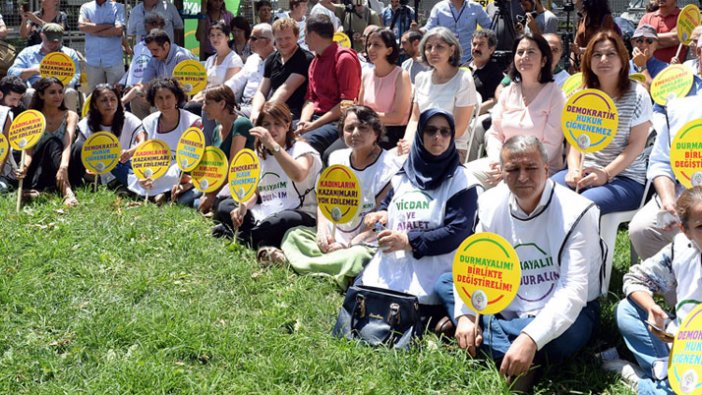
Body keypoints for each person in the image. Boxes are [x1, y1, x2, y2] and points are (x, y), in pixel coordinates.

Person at [435, 135, 603, 392]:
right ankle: (508, 349)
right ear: (502, 173)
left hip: (571, 310)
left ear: (547, 170)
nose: (522, 177)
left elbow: (573, 292)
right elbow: (475, 264)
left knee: (565, 337)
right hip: (508, 297)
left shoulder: (578, 210)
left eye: (531, 168)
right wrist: (467, 315)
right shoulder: (491, 203)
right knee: (446, 282)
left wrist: (531, 337)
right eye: (513, 169)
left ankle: (496, 343)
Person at [358, 108, 479, 333]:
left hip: (433, 270)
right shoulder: (404, 174)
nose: (438, 137)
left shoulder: (462, 180)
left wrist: (408, 241)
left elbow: (457, 232)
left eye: (445, 132)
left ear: (452, 137)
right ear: (420, 134)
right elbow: (387, 211)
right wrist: (377, 219)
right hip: (393, 264)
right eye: (431, 130)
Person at [280, 106, 401, 284]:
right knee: (293, 235)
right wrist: (322, 232)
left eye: (363, 128)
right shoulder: (336, 157)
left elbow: (377, 222)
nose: (355, 133)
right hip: (333, 234)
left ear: (376, 133)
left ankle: (305, 264)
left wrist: (349, 244)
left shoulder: (390, 166)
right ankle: (330, 268)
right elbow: (324, 200)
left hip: (364, 239)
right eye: (349, 128)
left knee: (358, 257)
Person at [553, 31, 652, 215]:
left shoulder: (638, 94)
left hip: (625, 178)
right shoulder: (581, 94)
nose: (603, 59)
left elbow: (637, 145)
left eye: (610, 54)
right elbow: (575, 140)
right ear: (589, 61)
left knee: (581, 206)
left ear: (623, 59)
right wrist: (573, 169)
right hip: (584, 171)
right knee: (545, 195)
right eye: (597, 55)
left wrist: (605, 174)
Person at [616, 186, 702, 394]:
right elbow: (635, 279)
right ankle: (662, 371)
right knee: (627, 309)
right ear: (685, 231)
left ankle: (647, 382)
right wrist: (652, 307)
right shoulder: (680, 248)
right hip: (687, 343)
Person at [211, 102, 323, 258]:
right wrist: (243, 207)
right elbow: (256, 191)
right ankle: (257, 237)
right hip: (267, 210)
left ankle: (241, 236)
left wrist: (273, 145)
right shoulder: (260, 153)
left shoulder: (303, 150)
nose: (272, 129)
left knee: (281, 221)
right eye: (267, 125)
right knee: (226, 206)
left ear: (287, 124)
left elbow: (298, 175)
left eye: (277, 124)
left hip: (299, 212)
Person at [466, 33, 565, 189]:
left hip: (539, 169)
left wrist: (514, 168)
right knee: (462, 177)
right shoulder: (509, 92)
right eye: (520, 52)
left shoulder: (556, 96)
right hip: (503, 163)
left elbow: (551, 145)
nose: (524, 56)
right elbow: (494, 134)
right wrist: (498, 162)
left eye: (531, 52)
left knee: (500, 192)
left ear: (544, 60)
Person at [399, 27, 477, 161]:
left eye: (440, 47)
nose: (433, 51)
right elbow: (415, 119)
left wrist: (424, 143)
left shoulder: (463, 79)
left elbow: (459, 129)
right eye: (428, 47)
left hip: (452, 148)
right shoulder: (421, 78)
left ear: (452, 50)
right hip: (421, 144)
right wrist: (407, 143)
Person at [126, 78, 203, 204]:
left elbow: (194, 157)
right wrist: (141, 175)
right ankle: (158, 194)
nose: (164, 102)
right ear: (153, 101)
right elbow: (141, 153)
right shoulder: (148, 122)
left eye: (168, 97)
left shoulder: (193, 122)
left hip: (181, 171)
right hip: (154, 169)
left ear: (176, 98)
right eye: (159, 98)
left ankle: (163, 194)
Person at [295, 14, 361, 156]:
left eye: (305, 34)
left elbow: (347, 104)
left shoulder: (344, 59)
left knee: (303, 143)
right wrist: (303, 122)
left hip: (339, 121)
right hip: (315, 118)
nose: (304, 39)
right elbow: (310, 99)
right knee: (278, 133)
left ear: (313, 34)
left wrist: (313, 126)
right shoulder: (314, 61)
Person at [15, 77, 79, 207]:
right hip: (38, 166)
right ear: (41, 95)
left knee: (57, 143)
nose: (58, 96)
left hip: (62, 164)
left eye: (60, 92)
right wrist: (24, 167)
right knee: (51, 143)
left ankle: (66, 191)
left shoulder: (70, 115)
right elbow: (28, 151)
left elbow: (68, 143)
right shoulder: (32, 117)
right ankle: (51, 189)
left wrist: (63, 167)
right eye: (52, 92)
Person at [73, 84, 146, 189]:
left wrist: (130, 152)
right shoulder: (85, 124)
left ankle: (136, 184)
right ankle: (133, 184)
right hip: (96, 170)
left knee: (117, 163)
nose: (109, 104)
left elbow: (143, 140)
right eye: (104, 101)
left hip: (123, 164)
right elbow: (79, 151)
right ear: (94, 104)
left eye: (113, 99)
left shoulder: (128, 118)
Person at [199, 84, 254, 213]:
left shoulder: (241, 124)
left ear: (222, 104)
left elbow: (232, 167)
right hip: (221, 182)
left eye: (207, 103)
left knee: (220, 204)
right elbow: (215, 166)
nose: (203, 108)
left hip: (241, 181)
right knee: (189, 198)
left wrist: (212, 194)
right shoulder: (216, 130)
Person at [184, 21, 243, 139]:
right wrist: (196, 97)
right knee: (184, 106)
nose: (215, 38)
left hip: (224, 100)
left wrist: (203, 98)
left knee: (199, 109)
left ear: (227, 37)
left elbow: (226, 89)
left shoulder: (234, 59)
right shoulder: (210, 59)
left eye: (219, 35)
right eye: (212, 35)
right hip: (207, 98)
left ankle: (210, 146)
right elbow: (203, 85)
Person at [121, 29, 195, 120]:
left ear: (166, 45)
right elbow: (142, 85)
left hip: (182, 99)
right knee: (137, 100)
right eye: (150, 50)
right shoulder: (154, 58)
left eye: (155, 50)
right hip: (163, 95)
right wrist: (122, 102)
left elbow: (187, 89)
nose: (152, 53)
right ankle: (146, 130)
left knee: (159, 100)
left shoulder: (182, 57)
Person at [7, 23, 81, 113]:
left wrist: (66, 82)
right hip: (37, 89)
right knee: (29, 93)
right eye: (49, 40)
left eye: (56, 41)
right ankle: (31, 124)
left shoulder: (69, 53)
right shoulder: (28, 52)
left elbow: (76, 75)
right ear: (42, 36)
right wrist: (35, 70)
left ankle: (70, 124)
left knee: (70, 93)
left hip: (61, 89)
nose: (53, 44)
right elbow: (11, 73)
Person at [250, 18, 313, 123]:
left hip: (292, 112)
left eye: (287, 38)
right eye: (279, 39)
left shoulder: (305, 59)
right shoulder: (271, 58)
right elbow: (261, 91)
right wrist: (255, 112)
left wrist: (264, 114)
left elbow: (286, 89)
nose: (283, 42)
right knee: (231, 116)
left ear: (297, 37)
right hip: (270, 107)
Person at [358, 28, 411, 150]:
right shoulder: (366, 74)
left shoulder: (401, 76)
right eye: (369, 44)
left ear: (389, 50)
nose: (371, 49)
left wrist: (366, 115)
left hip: (391, 133)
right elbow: (360, 108)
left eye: (376, 45)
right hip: (367, 129)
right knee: (331, 152)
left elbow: (397, 116)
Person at [225, 23, 275, 118]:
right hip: (243, 104)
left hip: (262, 107)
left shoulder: (278, 60)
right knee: (209, 108)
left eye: (253, 38)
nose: (249, 42)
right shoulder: (252, 59)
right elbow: (237, 80)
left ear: (268, 41)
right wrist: (219, 92)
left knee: (223, 113)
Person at [78, 0, 126, 91]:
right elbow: (82, 26)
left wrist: (93, 30)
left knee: (117, 93)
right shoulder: (86, 7)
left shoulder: (119, 7)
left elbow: (118, 30)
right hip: (92, 60)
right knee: (94, 95)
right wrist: (109, 25)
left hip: (114, 60)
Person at [424, 0, 492, 64]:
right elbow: (428, 30)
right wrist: (417, 31)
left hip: (470, 60)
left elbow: (491, 28)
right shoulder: (438, 8)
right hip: (445, 61)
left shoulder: (475, 7)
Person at [118, 13, 165, 95]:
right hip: (130, 91)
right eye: (153, 23)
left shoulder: (164, 47)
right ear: (146, 26)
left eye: (160, 24)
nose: (157, 26)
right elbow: (133, 67)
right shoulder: (138, 46)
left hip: (148, 91)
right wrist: (122, 82)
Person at [573, 0, 619, 66]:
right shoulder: (582, 19)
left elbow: (606, 46)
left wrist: (581, 50)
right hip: (582, 66)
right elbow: (576, 44)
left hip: (600, 65)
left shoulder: (606, 20)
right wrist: (572, 64)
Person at [468, 29, 503, 113]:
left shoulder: (495, 72)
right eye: (474, 44)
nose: (476, 48)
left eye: (481, 45)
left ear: (491, 49)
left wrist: (472, 113)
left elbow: (494, 100)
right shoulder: (463, 68)